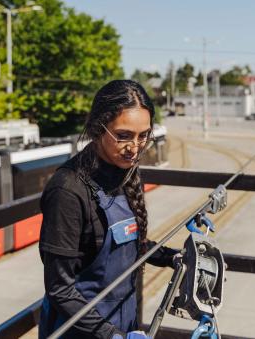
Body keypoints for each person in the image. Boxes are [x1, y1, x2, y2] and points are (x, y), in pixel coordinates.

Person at [38, 80, 178, 339]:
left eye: (143, 135)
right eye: (123, 136)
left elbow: (129, 244)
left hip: (121, 324)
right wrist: (110, 335)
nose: (135, 148)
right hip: (79, 333)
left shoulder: (125, 173)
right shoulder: (67, 191)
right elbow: (60, 289)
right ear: (97, 128)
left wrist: (173, 257)